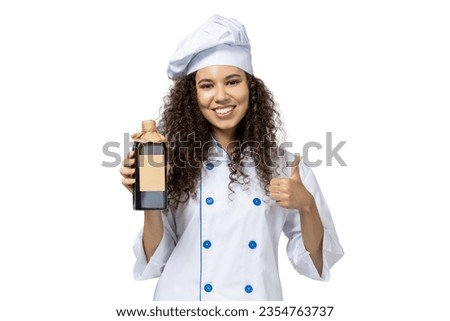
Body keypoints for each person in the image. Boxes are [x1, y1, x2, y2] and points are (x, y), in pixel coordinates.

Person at [120, 14, 344, 301]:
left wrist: (307, 205)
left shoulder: (285, 165)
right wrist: (150, 197)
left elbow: (314, 262)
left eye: (232, 81)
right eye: (207, 85)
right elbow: (156, 260)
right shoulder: (173, 162)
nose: (221, 96)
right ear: (193, 96)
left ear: (250, 86)